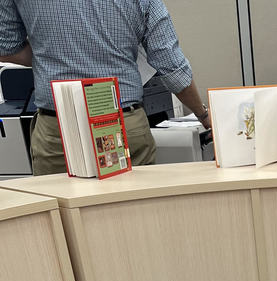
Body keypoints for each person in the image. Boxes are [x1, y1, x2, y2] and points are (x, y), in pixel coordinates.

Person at [0, 0, 211, 174]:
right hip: (122, 123)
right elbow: (171, 66)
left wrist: (51, 58)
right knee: (129, 213)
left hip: (59, 128)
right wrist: (203, 115)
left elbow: (7, 48)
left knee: (63, 216)